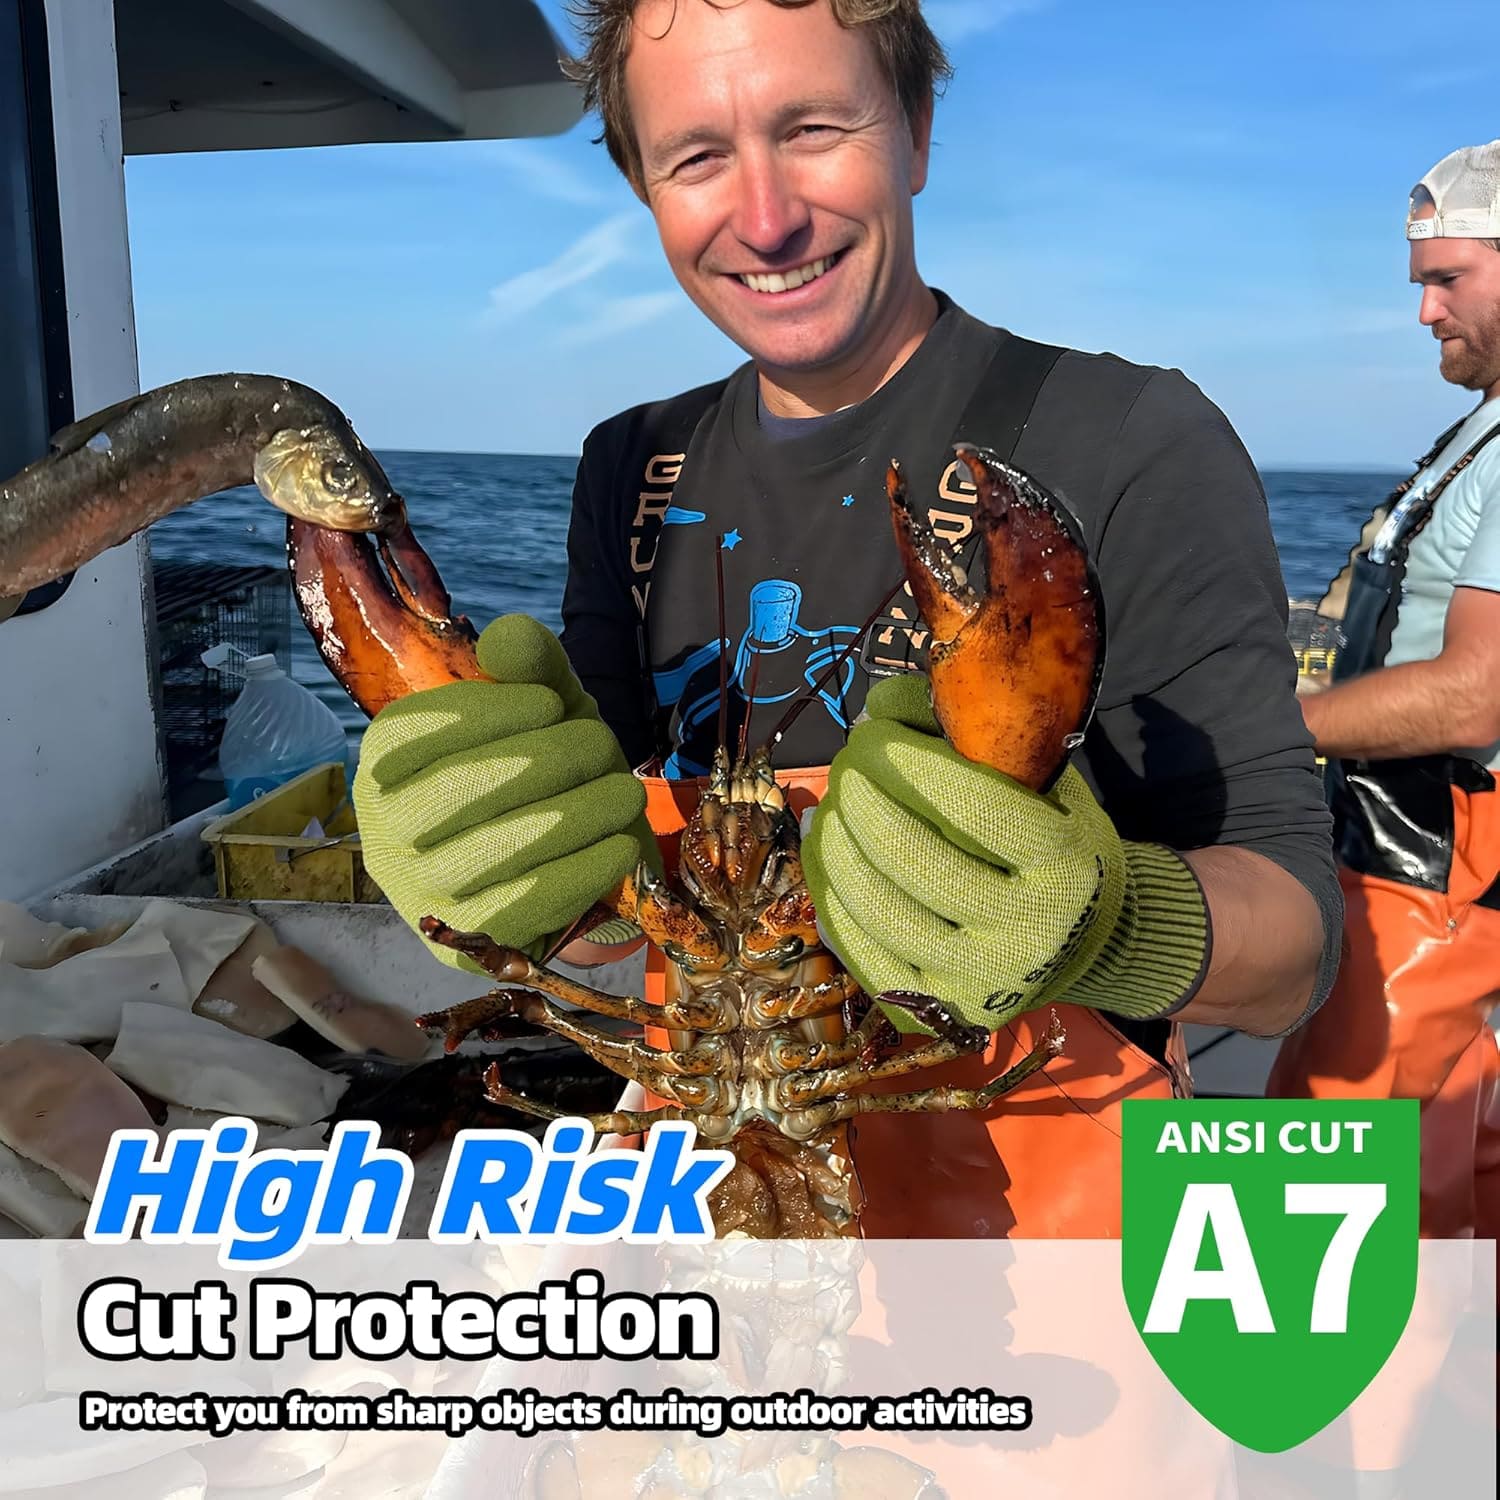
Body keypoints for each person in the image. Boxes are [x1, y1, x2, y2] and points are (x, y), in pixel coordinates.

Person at [352, 0, 1340, 1235]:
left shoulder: (1128, 438)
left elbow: (1295, 949)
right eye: (698, 156)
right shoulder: (633, 464)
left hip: (1056, 1242)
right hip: (703, 1206)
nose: (766, 217)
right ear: (642, 186)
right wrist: (495, 872)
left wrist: (1107, 927)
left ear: (917, 132)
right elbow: (595, 918)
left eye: (814, 127)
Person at [1268, 140, 1500, 1240]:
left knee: (1335, 1186)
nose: (1426, 314)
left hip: (1440, 867)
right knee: (1453, 1173)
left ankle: (1339, 1419)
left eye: (1448, 280)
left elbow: (1476, 695)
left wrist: (1266, 730)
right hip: (1405, 859)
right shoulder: (1483, 426)